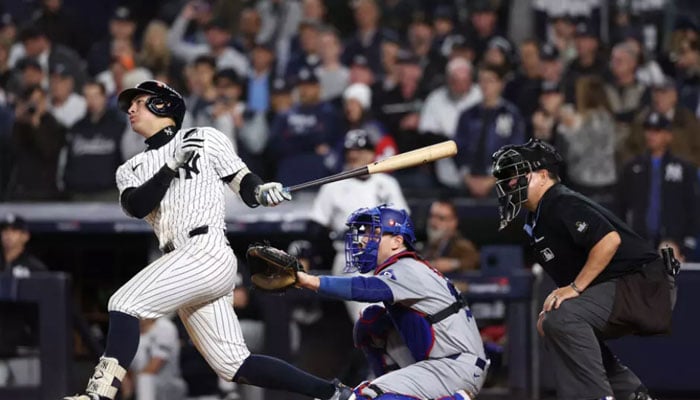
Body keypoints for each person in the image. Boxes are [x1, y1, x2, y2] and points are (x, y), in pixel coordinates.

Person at [62, 80, 353, 400]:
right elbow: (137, 205)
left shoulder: (205, 137)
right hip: (179, 260)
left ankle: (98, 395)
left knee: (122, 303)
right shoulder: (131, 167)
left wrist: (261, 191)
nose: (131, 109)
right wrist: (170, 167)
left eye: (140, 102)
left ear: (163, 104)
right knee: (235, 365)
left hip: (206, 248)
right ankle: (333, 393)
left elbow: (243, 182)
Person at [491, 139, 675, 400]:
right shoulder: (538, 217)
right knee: (557, 322)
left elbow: (609, 241)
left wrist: (574, 289)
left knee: (562, 318)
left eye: (518, 177)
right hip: (628, 285)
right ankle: (630, 394)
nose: (510, 185)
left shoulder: (560, 201)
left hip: (644, 284)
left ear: (543, 176)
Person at [296, 204, 489, 399]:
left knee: (369, 395)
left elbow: (364, 289)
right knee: (371, 323)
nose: (363, 241)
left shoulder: (406, 268)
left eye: (374, 234)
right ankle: (397, 385)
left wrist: (310, 280)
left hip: (454, 366)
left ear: (397, 241)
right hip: (443, 360)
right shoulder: (407, 265)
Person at [309, 128, 407, 322]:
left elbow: (404, 222)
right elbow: (315, 228)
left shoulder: (387, 184)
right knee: (373, 315)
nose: (355, 156)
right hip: (352, 256)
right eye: (351, 152)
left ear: (372, 153)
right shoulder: (333, 185)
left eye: (360, 151)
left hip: (389, 256)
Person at [421, 198, 479, 274]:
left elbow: (474, 260)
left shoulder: (460, 244)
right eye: (432, 217)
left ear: (453, 222)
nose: (434, 222)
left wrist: (453, 264)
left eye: (441, 218)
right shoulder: (423, 243)